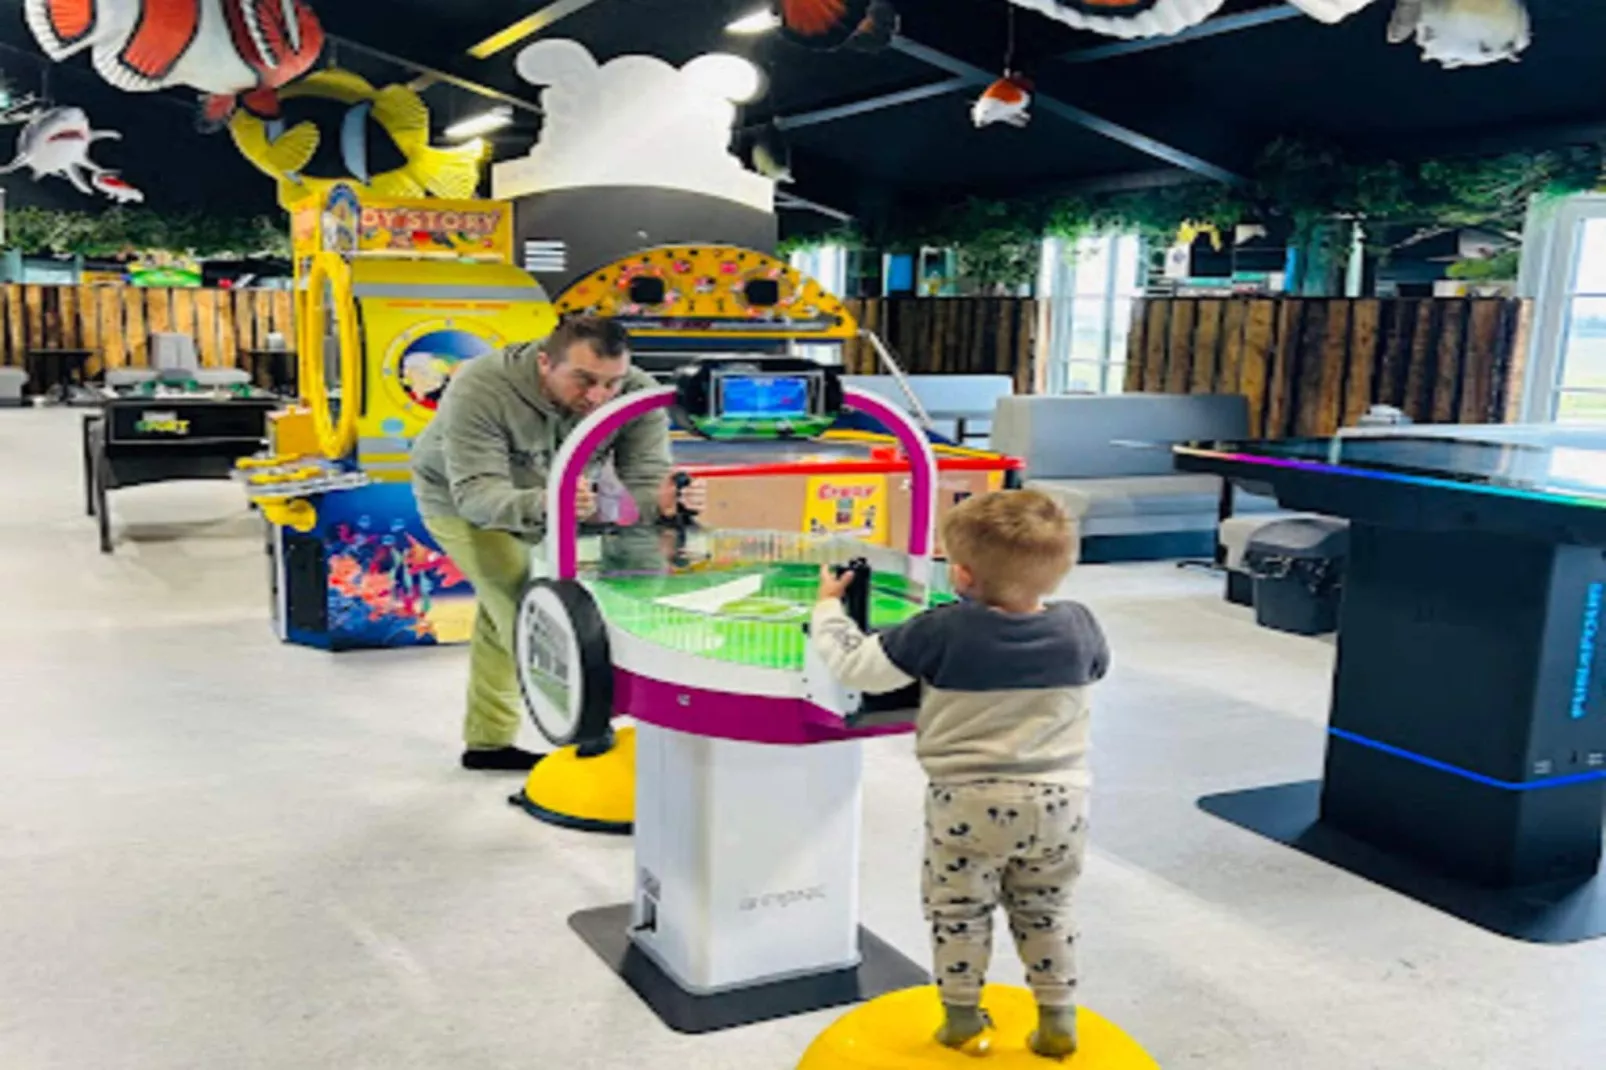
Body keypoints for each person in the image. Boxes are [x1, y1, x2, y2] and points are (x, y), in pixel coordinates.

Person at [810, 489, 1109, 1059]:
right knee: (1047, 908)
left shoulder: (941, 629)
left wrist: (828, 608)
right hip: (1061, 803)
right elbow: (1096, 667)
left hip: (967, 801)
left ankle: (962, 1019)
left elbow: (858, 667)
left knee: (958, 912)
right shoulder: (1080, 625)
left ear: (963, 575)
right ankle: (1057, 1016)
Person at [411, 315, 703, 771]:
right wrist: (555, 503)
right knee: (523, 606)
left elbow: (643, 484)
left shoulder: (637, 392)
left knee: (501, 608)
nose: (599, 397)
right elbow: (478, 496)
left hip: (559, 497)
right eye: (583, 380)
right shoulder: (480, 386)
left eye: (611, 384)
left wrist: (666, 503)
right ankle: (591, 737)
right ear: (545, 362)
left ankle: (487, 744)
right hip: (459, 499)